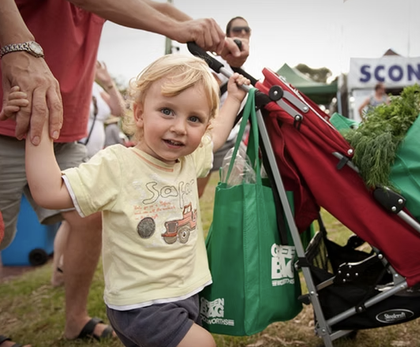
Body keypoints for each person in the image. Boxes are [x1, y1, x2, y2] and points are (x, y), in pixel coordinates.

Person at [0, 0, 244, 343]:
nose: (179, 127)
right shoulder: (117, 163)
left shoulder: (190, 159)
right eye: (167, 111)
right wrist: (37, 120)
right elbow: (49, 191)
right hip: (142, 305)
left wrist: (233, 97)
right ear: (140, 114)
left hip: (185, 293)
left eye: (193, 119)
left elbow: (217, 136)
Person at [51, 60, 127, 287]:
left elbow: (120, 111)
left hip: (93, 161)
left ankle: (60, 270)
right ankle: (60, 268)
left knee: (73, 220)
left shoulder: (97, 90)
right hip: (72, 159)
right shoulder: (66, 83)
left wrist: (108, 82)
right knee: (74, 217)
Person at [197, 15, 252, 198]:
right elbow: (202, 96)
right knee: (195, 192)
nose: (243, 33)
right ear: (227, 36)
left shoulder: (243, 70)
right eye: (237, 30)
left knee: (240, 193)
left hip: (232, 140)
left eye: (246, 30)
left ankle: (236, 225)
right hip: (209, 138)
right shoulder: (218, 69)